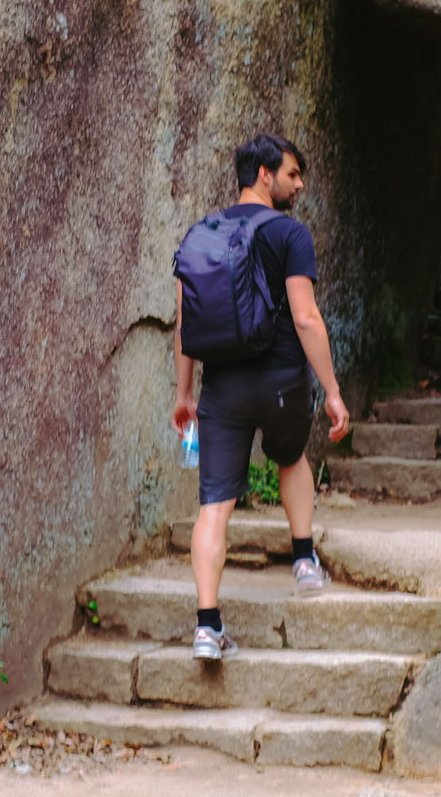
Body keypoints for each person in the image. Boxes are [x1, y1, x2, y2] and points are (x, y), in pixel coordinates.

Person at [171, 133, 351, 661]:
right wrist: (333, 391)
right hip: (280, 381)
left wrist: (185, 392)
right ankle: (302, 559)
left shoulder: (201, 233)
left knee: (214, 507)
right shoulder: (289, 234)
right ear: (264, 176)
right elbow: (305, 316)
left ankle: (207, 626)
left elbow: (186, 323)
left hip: (220, 388)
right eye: (293, 174)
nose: (299, 185)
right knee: (291, 455)